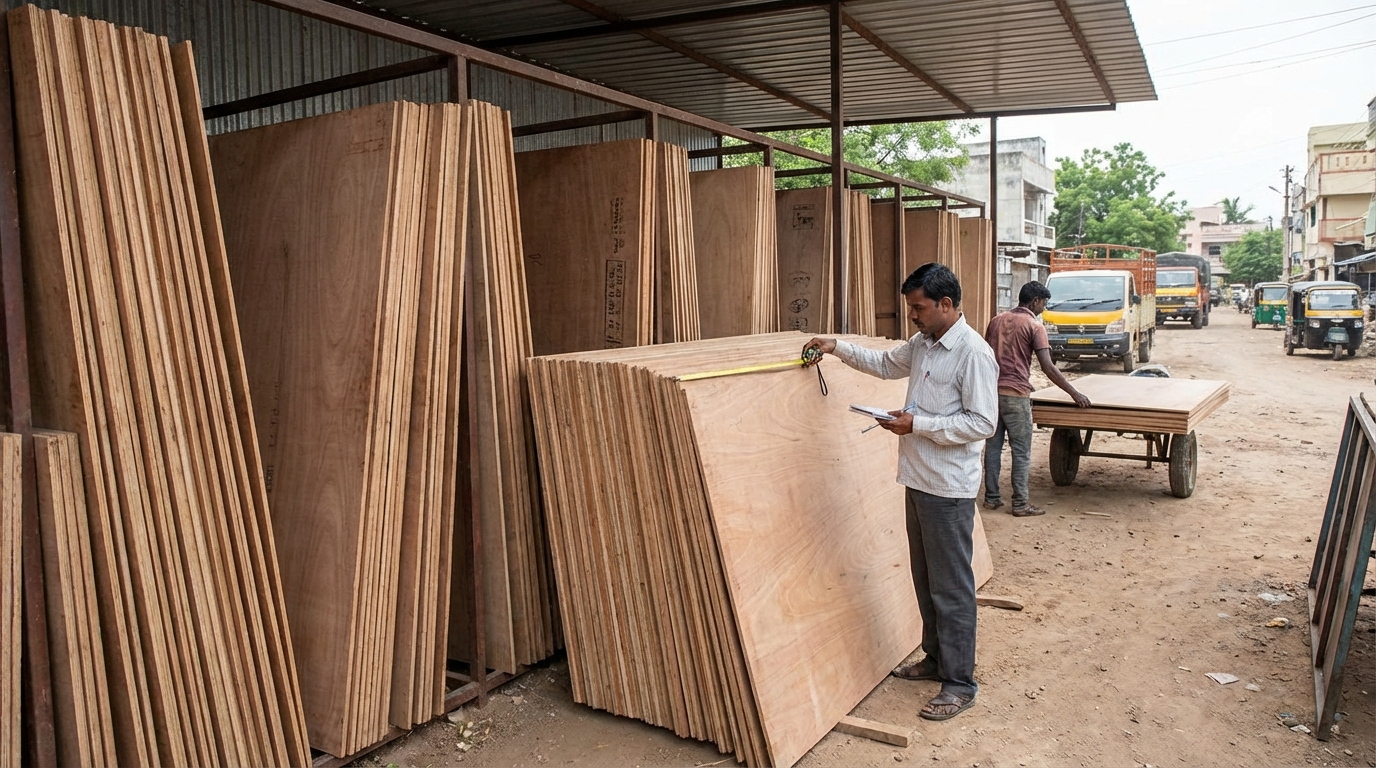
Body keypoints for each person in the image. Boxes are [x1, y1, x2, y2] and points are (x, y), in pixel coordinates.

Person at [803, 263, 996, 722]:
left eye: (919, 308)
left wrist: (918, 424)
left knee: (951, 588)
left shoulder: (973, 353)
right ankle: (935, 660)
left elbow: (983, 423)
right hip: (918, 478)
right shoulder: (924, 344)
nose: (912, 315)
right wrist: (837, 348)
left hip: (948, 488)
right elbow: (887, 363)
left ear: (946, 305)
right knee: (925, 578)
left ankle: (959, 682)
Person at [981, 281, 1091, 517]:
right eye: (1044, 303)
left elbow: (984, 357)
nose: (1044, 308)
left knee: (993, 448)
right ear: (1035, 301)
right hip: (1016, 395)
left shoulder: (996, 320)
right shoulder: (1034, 325)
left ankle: (991, 499)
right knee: (1021, 451)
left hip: (991, 394)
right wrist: (1075, 393)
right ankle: (1020, 504)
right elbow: (1048, 367)